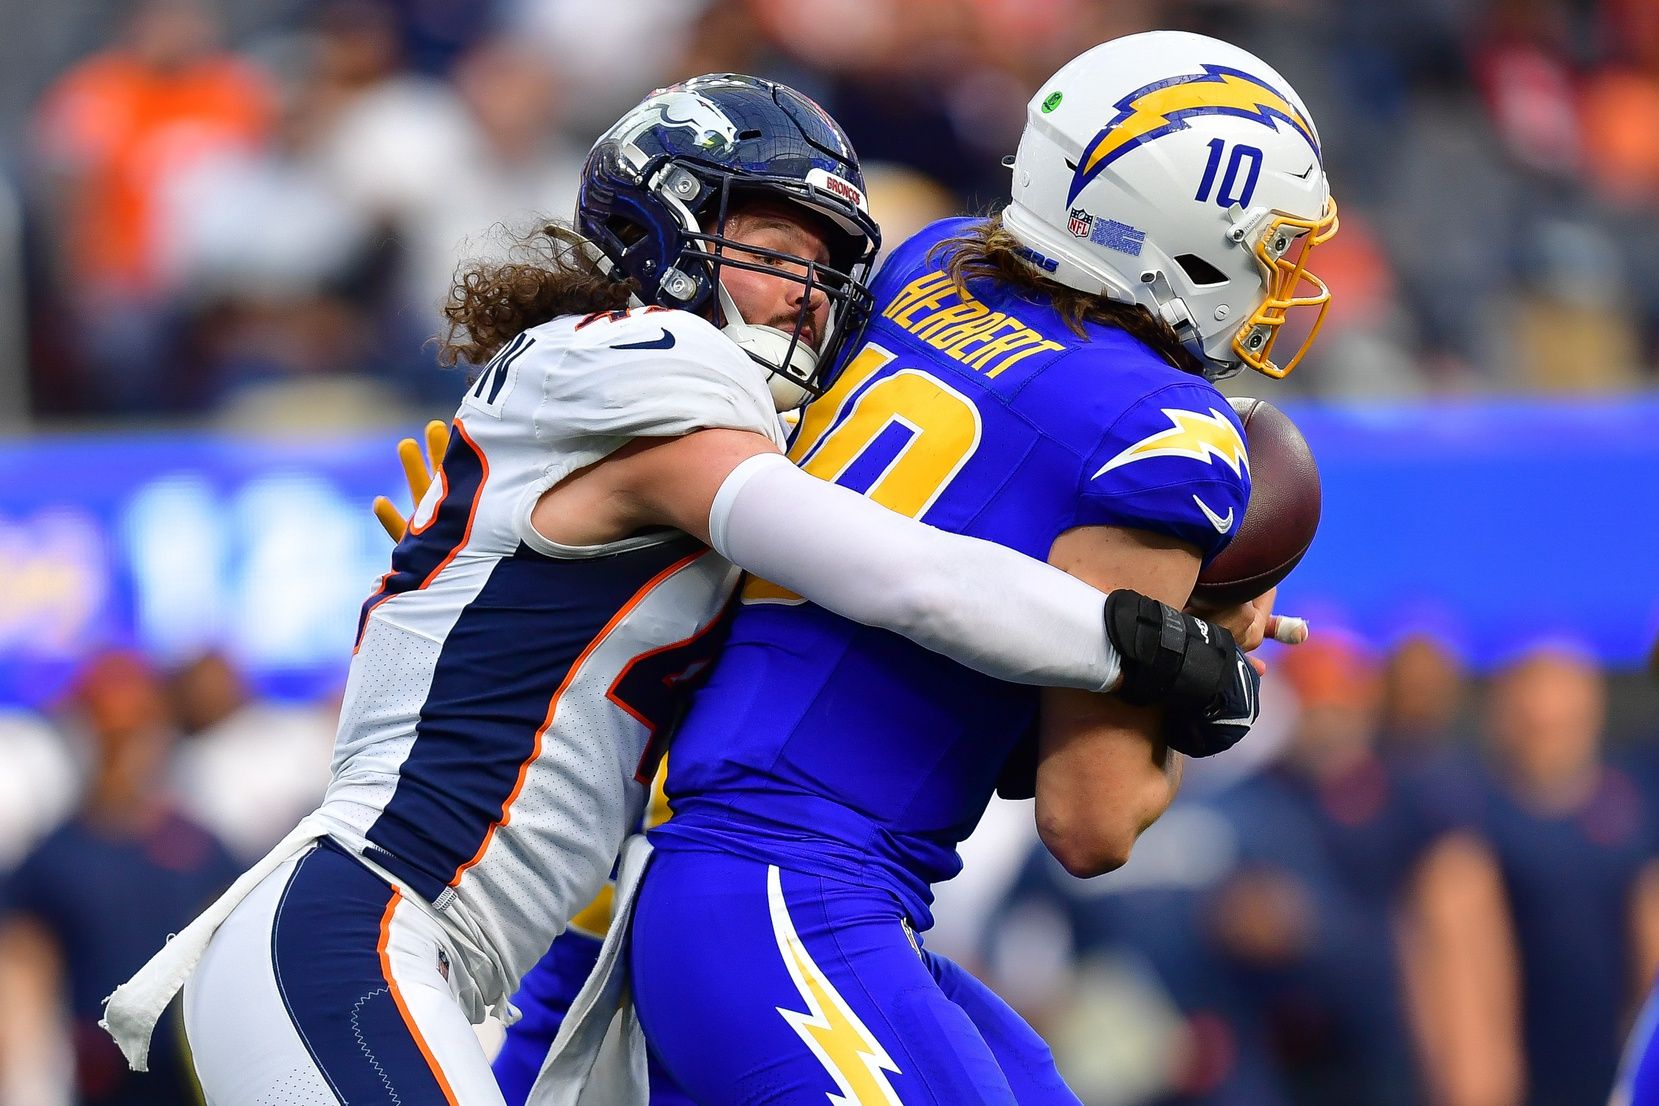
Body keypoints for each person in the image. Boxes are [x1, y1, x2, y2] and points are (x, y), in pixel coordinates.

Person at [102, 73, 1254, 1105]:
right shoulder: (647, 363)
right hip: (365, 933)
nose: (809, 296)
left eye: (827, 267)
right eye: (776, 250)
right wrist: (1144, 645)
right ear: (671, 220)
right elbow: (901, 571)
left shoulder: (631, 394)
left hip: (430, 948)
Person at [614, 31, 1339, 1106]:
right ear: (1192, 235)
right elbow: (1089, 819)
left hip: (708, 868)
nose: (1283, 280)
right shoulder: (1168, 429)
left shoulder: (933, 262)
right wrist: (1208, 662)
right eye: (1272, 245)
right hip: (799, 888)